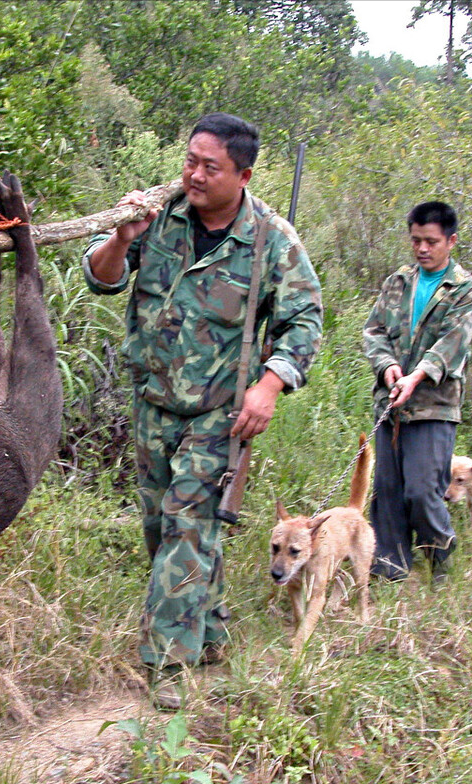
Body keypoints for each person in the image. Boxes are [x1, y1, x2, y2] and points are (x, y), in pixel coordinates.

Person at [84, 112, 322, 707]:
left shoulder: (272, 241)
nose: (193, 174)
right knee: (160, 529)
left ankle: (169, 664)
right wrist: (121, 238)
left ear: (243, 173)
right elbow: (102, 279)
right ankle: (210, 633)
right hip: (152, 402)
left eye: (208, 167)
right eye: (189, 160)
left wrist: (269, 387)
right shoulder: (158, 217)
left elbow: (305, 322)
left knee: (188, 528)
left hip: (218, 415)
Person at [362, 201, 472, 583]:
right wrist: (387, 367)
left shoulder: (465, 289)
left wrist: (416, 376)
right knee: (387, 492)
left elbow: (453, 343)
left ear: (451, 241)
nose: (422, 249)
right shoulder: (398, 281)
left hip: (434, 407)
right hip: (392, 404)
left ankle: (441, 558)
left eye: (431, 241)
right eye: (416, 240)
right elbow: (374, 331)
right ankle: (390, 570)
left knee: (421, 492)